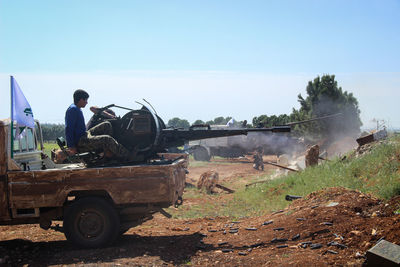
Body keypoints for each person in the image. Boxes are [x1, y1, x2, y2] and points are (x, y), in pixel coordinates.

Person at [65, 89, 132, 161]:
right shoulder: (73, 110)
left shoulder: (77, 108)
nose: (87, 102)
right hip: (80, 141)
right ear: (81, 99)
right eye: (85, 100)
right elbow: (69, 129)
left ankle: (108, 152)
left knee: (107, 125)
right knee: (107, 139)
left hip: (85, 134)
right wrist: (71, 146)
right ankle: (128, 156)